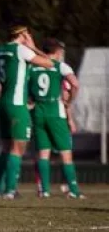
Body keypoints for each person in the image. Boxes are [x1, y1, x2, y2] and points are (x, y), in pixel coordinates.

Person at [0, 25, 54, 199]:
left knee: (5, 148)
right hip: (17, 104)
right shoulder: (21, 50)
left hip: (3, 103)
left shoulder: (0, 50)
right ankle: (10, 190)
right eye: (27, 33)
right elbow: (50, 64)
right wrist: (33, 47)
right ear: (22, 35)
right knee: (17, 148)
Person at [28, 39, 83, 199]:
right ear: (58, 52)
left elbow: (28, 93)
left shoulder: (32, 67)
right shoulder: (60, 66)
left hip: (37, 111)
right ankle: (73, 190)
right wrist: (69, 101)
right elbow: (75, 84)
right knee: (66, 153)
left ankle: (44, 190)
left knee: (43, 153)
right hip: (55, 110)